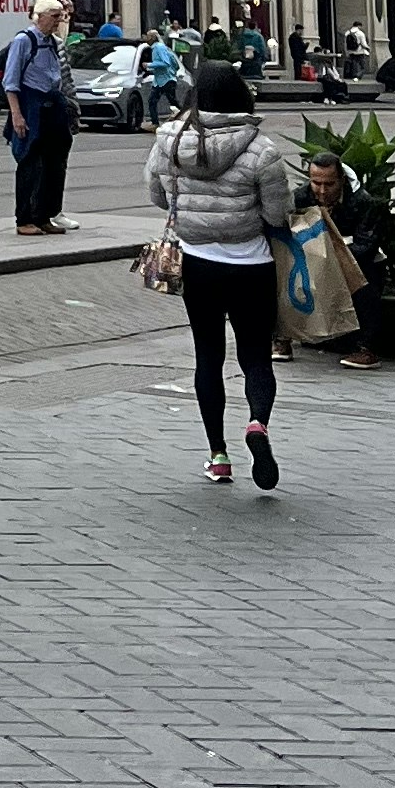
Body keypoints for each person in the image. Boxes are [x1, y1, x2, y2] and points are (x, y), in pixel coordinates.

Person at [146, 60, 294, 489]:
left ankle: (218, 456)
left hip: (197, 264)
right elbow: (277, 214)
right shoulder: (261, 148)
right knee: (255, 358)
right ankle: (257, 426)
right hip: (251, 265)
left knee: (207, 357)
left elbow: (157, 196)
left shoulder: (168, 141)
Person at [287, 147, 386, 368]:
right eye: (316, 183)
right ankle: (282, 336)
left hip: (350, 259)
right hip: (311, 258)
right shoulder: (301, 197)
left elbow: (367, 245)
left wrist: (334, 256)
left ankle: (365, 347)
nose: (322, 191)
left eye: (329, 185)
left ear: (341, 180)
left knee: (366, 278)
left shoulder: (363, 202)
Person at [1, 0, 78, 235]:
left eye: (60, 16)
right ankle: (24, 219)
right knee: (30, 163)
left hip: (53, 105)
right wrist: (17, 116)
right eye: (55, 16)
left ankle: (44, 215)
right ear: (40, 16)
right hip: (31, 106)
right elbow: (10, 81)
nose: (58, 21)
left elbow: (61, 77)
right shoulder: (24, 41)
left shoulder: (53, 42)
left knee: (55, 162)